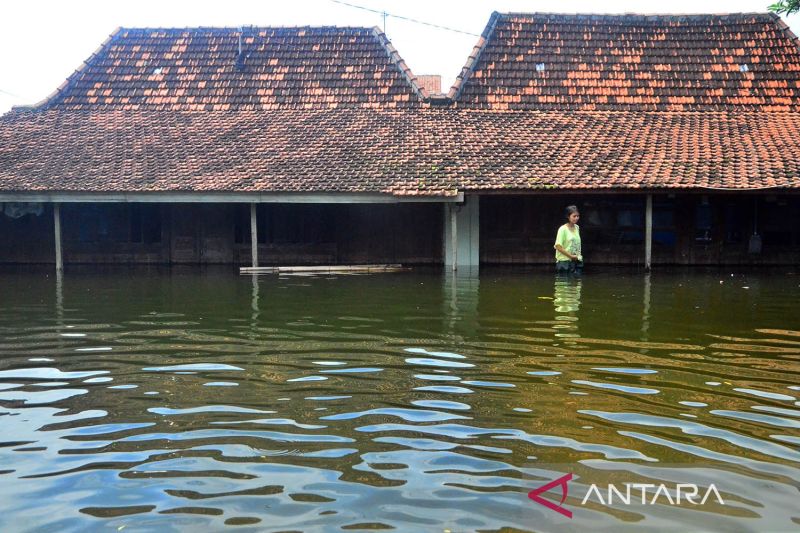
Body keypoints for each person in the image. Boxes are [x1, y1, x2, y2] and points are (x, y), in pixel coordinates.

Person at [554, 205, 583, 274]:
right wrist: (571, 256)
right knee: (564, 284)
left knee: (577, 283)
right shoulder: (562, 229)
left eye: (577, 216)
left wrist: (575, 257)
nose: (576, 218)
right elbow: (558, 246)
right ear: (568, 216)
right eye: (574, 216)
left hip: (577, 260)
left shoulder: (577, 227)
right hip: (564, 262)